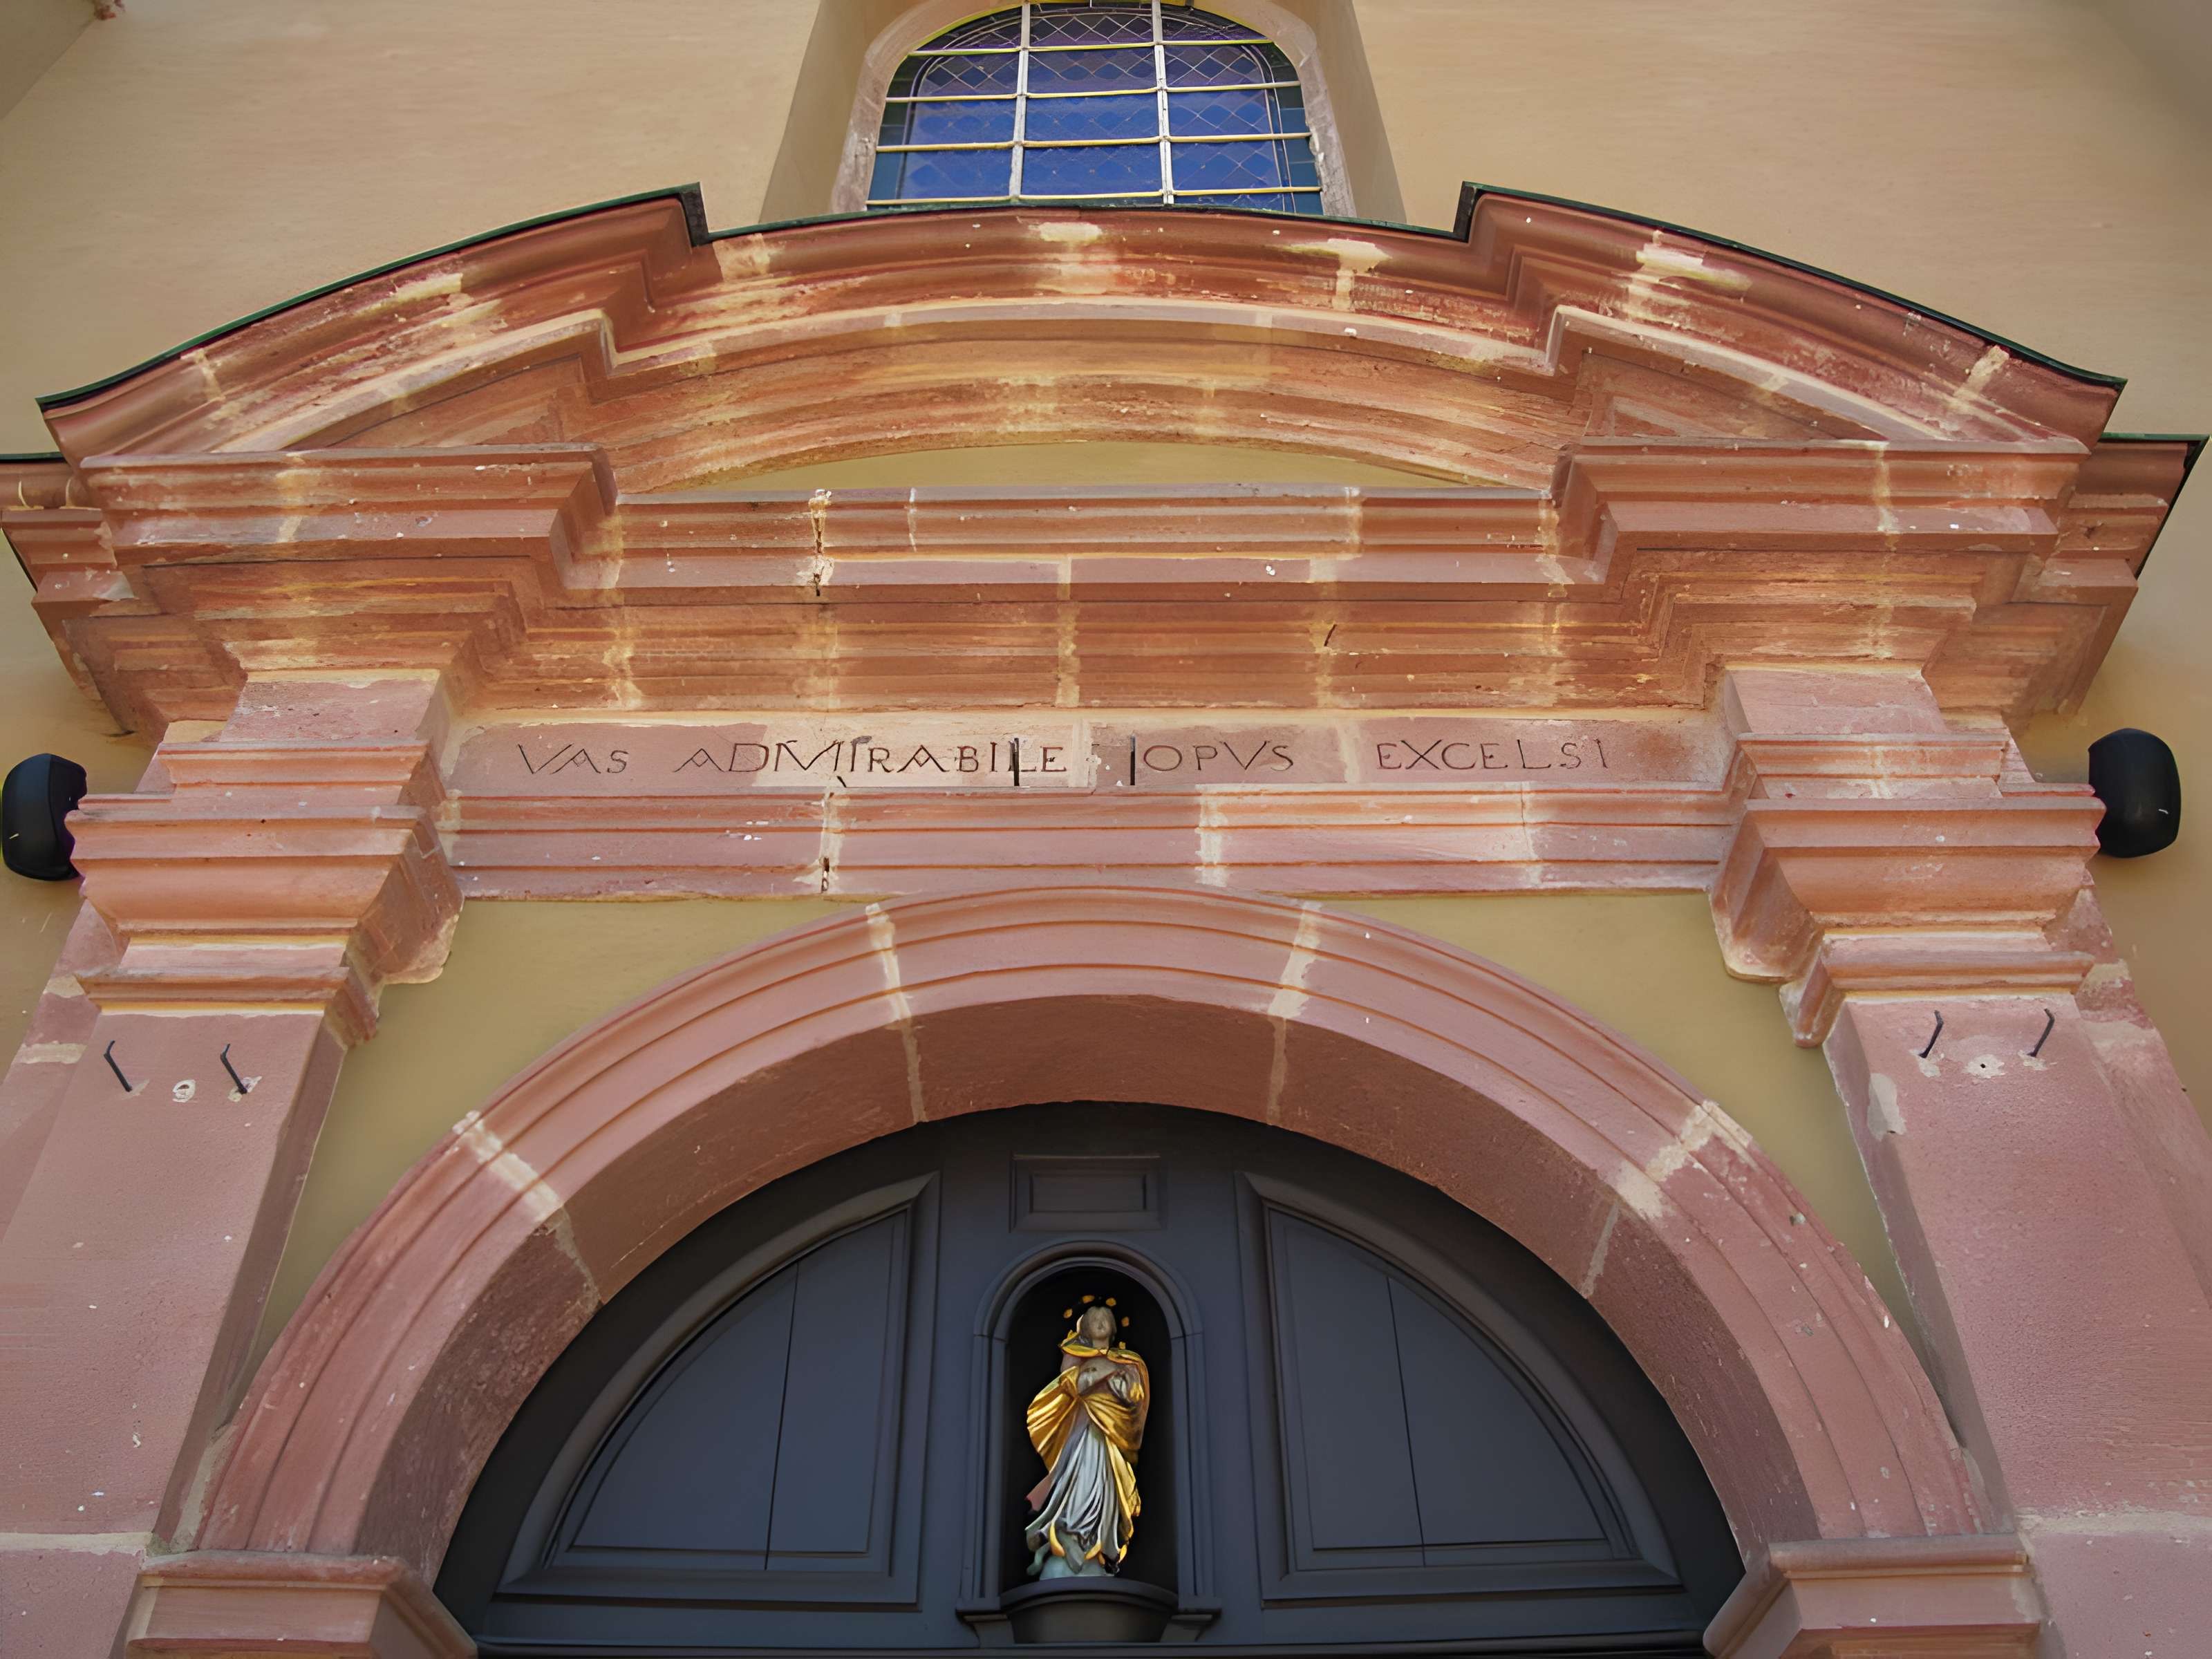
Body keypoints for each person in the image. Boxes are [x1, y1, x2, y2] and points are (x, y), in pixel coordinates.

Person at [1023, 1300, 1149, 1577]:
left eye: (1106, 1318)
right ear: (1086, 1327)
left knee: (1107, 1489)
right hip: (1082, 1434)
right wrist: (1103, 1373)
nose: (1101, 1323)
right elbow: (1072, 1385)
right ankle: (1068, 1532)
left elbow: (1133, 1396)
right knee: (1079, 1483)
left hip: (1111, 1438)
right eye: (1095, 1319)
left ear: (1114, 1327)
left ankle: (1094, 1544)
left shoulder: (1128, 1362)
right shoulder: (1075, 1354)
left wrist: (1112, 1378)